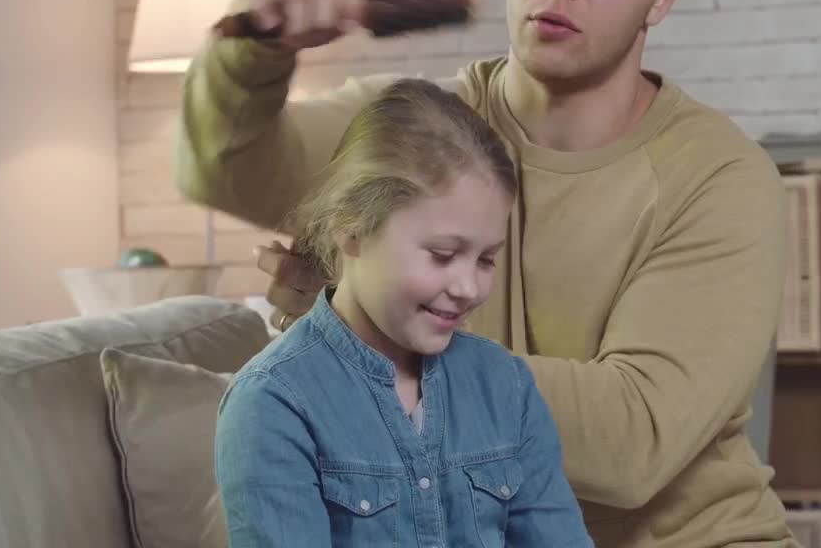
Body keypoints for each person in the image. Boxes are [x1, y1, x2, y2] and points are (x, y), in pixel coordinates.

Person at [177, 0, 795, 545]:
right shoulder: (412, 133)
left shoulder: (721, 176)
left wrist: (372, 325)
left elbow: (634, 439)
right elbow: (224, 167)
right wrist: (251, 48)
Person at [213, 78, 594, 547]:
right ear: (351, 230)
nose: (469, 287)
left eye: (486, 259)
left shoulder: (506, 387)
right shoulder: (274, 403)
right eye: (440, 254)